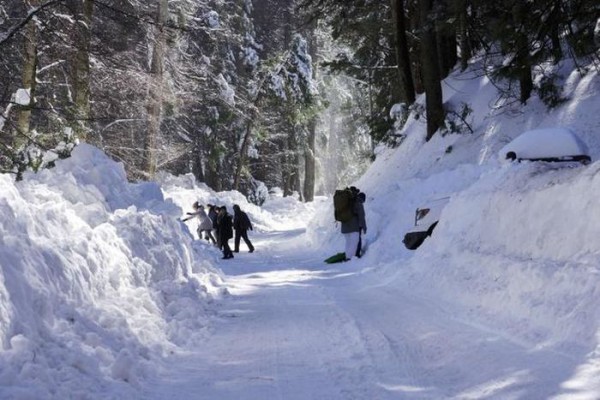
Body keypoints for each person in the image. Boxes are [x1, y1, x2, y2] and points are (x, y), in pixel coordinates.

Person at [340, 187, 366, 261]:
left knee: (348, 243)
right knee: (354, 243)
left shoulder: (346, 202)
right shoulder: (358, 202)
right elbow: (361, 216)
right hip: (354, 227)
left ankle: (348, 257)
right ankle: (351, 259)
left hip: (344, 227)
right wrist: (364, 227)